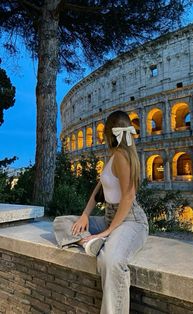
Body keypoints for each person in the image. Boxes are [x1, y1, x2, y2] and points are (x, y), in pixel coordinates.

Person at [53, 110, 149, 314]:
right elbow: (98, 191)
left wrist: (107, 231)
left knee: (111, 261)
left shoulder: (123, 156)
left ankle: (100, 242)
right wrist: (85, 215)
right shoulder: (113, 157)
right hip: (109, 218)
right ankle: (92, 243)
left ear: (109, 133)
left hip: (130, 220)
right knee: (62, 223)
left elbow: (128, 197)